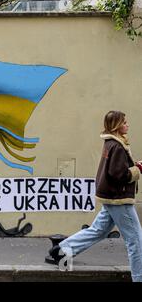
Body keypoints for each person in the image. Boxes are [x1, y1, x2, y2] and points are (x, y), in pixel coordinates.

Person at [48, 110, 142, 282]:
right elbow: (117, 174)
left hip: (110, 196)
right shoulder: (118, 146)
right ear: (116, 126)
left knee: (98, 230)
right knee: (136, 241)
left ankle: (62, 249)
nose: (127, 124)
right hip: (119, 199)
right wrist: (137, 170)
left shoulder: (109, 143)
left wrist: (133, 166)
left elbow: (113, 169)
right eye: (124, 122)